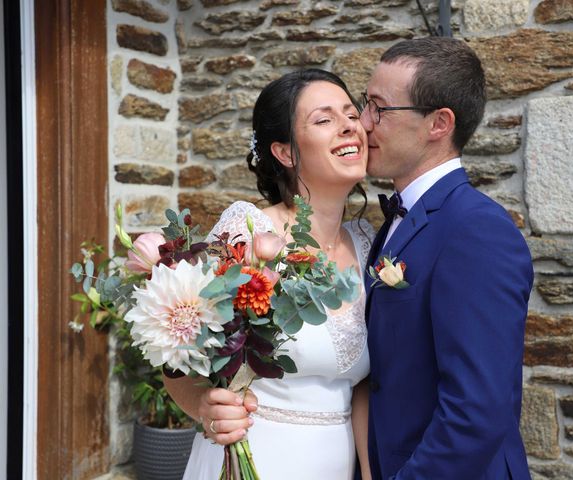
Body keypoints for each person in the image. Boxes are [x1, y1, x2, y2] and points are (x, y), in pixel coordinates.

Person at [163, 69, 375, 480]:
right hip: (254, 458)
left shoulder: (368, 244)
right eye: (325, 119)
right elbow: (176, 354)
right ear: (284, 152)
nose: (350, 126)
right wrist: (204, 407)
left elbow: (367, 385)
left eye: (352, 114)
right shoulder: (246, 231)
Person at [362, 37, 533, 479]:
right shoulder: (397, 220)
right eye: (365, 104)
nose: (363, 123)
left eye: (379, 108)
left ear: (438, 123)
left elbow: (477, 411)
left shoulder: (476, 229)